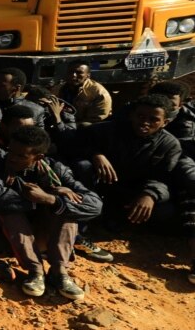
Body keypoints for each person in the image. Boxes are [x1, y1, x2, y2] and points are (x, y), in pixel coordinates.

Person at [0, 126, 102, 300]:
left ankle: (59, 272)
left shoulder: (56, 169)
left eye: (21, 156)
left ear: (38, 157)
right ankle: (35, 271)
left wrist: (50, 200)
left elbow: (95, 205)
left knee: (67, 209)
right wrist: (37, 200)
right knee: (9, 211)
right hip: (11, 238)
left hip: (44, 235)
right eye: (11, 152)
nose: (12, 158)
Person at [73, 94, 190, 264]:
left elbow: (164, 177)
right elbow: (76, 144)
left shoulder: (169, 144)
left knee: (164, 212)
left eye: (153, 119)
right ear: (131, 115)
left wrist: (150, 194)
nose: (145, 122)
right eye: (140, 116)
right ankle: (81, 226)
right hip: (100, 187)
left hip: (132, 193)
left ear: (165, 122)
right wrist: (95, 155)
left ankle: (119, 221)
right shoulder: (108, 129)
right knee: (83, 166)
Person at [58, 61, 112, 126]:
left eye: (79, 73)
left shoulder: (99, 93)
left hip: (86, 128)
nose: (73, 75)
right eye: (71, 72)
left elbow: (96, 119)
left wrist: (71, 126)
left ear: (88, 75)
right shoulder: (58, 88)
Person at [150, 81, 195, 158]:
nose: (163, 108)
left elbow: (180, 157)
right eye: (157, 102)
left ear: (181, 104)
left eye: (171, 104)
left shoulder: (185, 126)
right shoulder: (134, 112)